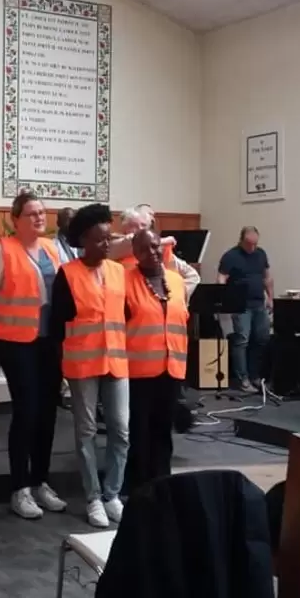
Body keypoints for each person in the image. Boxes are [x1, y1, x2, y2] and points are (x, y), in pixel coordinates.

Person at [0, 191, 66, 520]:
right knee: (26, 412)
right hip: (16, 343)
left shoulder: (49, 248)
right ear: (16, 220)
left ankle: (41, 480)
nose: (39, 217)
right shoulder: (3, 251)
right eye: (31, 213)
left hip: (48, 342)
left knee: (47, 414)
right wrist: (3, 334)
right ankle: (20, 488)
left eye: (42, 212)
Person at [50, 203, 128, 528]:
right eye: (99, 240)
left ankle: (112, 494)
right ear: (83, 241)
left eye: (109, 239)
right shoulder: (67, 275)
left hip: (116, 360)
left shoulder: (118, 271)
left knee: (121, 430)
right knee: (86, 432)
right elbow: (57, 325)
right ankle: (93, 497)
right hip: (83, 364)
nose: (106, 245)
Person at [124, 229, 188, 495]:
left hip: (171, 367)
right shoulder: (125, 282)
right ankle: (138, 487)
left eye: (155, 246)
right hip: (138, 371)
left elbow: (182, 320)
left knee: (163, 430)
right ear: (135, 254)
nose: (153, 252)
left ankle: (163, 484)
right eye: (145, 249)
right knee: (139, 433)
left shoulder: (176, 280)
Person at [217, 226, 273, 392]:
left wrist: (270, 297)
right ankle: (243, 379)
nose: (252, 248)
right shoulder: (230, 256)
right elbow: (222, 278)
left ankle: (255, 375)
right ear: (241, 240)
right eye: (249, 244)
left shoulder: (261, 254)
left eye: (255, 244)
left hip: (259, 303)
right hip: (240, 305)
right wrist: (224, 298)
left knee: (261, 338)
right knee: (242, 340)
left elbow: (267, 277)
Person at [112, 205, 200, 296]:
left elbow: (192, 276)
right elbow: (130, 241)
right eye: (133, 225)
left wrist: (177, 296)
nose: (140, 229)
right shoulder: (114, 245)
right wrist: (166, 240)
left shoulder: (162, 249)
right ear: (124, 228)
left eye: (143, 225)